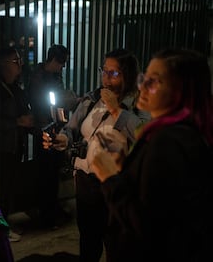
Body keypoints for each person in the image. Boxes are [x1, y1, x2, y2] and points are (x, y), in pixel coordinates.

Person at [90, 48, 213, 262]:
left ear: (180, 90)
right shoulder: (182, 134)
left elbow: (147, 225)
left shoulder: (168, 141)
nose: (143, 86)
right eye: (144, 78)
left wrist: (110, 178)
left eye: (154, 81)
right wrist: (126, 169)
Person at [43, 48, 150, 261]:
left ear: (128, 75)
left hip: (116, 184)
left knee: (117, 244)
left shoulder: (138, 105)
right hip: (85, 180)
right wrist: (61, 139)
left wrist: (116, 109)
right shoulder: (92, 99)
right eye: (104, 71)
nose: (107, 78)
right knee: (88, 242)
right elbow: (72, 129)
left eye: (114, 73)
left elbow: (144, 138)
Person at [27, 44, 80, 229]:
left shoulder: (55, 76)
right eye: (62, 63)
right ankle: (46, 215)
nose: (63, 67)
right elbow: (42, 104)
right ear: (54, 60)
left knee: (53, 172)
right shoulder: (37, 78)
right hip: (44, 130)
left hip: (57, 127)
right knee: (45, 175)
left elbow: (58, 102)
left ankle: (52, 209)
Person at [0, 46, 34, 242]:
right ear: (2, 64)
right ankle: (1, 229)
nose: (20, 65)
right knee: (2, 189)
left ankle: (5, 223)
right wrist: (18, 122)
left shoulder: (14, 87)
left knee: (9, 188)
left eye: (20, 60)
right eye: (15, 61)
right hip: (2, 148)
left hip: (15, 145)